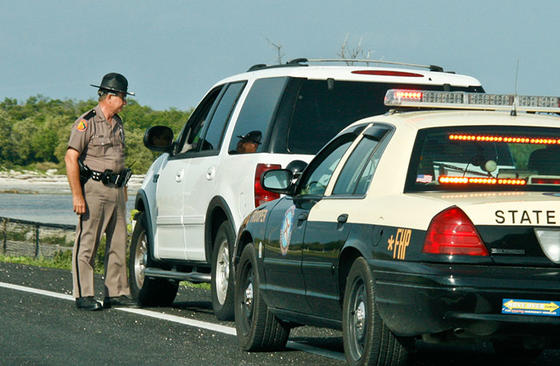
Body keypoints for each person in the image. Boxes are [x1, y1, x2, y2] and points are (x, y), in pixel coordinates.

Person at [65, 73, 136, 311]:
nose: (125, 102)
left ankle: (115, 292)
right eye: (123, 97)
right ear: (110, 96)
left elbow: (120, 159)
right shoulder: (87, 122)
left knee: (118, 243)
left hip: (116, 190)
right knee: (88, 243)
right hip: (94, 189)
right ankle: (84, 294)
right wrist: (77, 195)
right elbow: (71, 157)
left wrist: (124, 192)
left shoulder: (118, 124)